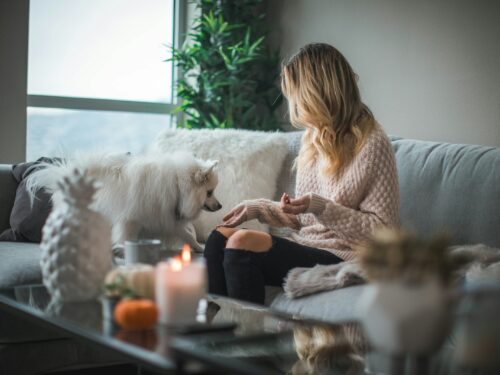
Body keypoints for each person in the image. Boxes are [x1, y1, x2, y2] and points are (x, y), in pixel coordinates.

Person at [204, 43, 400, 304]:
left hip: (348, 255)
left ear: (315, 92)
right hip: (308, 245)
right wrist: (259, 208)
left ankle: (246, 341)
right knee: (219, 238)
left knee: (242, 243)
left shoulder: (372, 142)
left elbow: (383, 234)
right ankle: (214, 333)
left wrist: (320, 207)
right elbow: (305, 218)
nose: (292, 102)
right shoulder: (313, 138)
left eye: (295, 92)